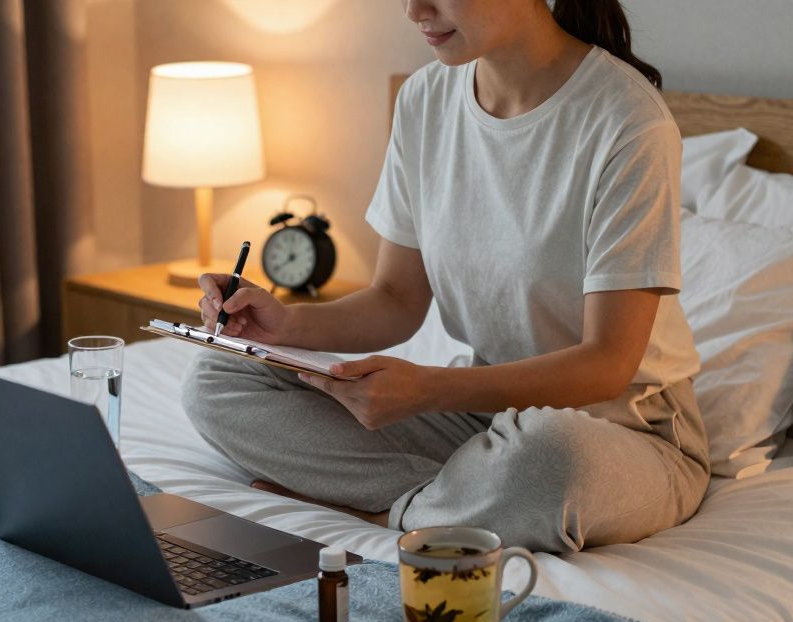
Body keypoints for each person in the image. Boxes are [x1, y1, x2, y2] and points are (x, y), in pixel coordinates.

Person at [180, 0, 709, 554]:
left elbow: (607, 365)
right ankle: (447, 501)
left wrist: (427, 390)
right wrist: (283, 325)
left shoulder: (628, 119)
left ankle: (388, 508)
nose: (415, 11)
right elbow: (394, 299)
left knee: (548, 464)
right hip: (483, 415)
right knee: (220, 376)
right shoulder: (425, 99)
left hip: (624, 430)